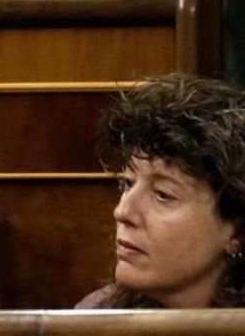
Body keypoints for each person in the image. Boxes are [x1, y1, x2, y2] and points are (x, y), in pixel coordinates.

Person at [77, 74, 245, 308]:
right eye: (128, 183)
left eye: (163, 194)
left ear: (237, 233)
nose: (122, 211)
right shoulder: (97, 314)